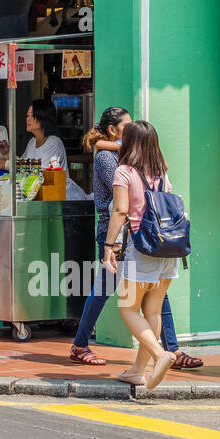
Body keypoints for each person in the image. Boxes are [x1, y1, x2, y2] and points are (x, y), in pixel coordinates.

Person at [69, 109, 202, 370]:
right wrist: (110, 244)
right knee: (103, 291)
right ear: (113, 131)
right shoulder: (108, 159)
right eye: (126, 126)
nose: (130, 130)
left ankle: (170, 350)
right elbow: (123, 202)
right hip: (115, 235)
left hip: (142, 238)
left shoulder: (134, 161)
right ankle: (80, 344)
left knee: (156, 296)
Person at [100, 121, 179, 391]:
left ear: (130, 143)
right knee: (152, 310)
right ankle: (137, 370)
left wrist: (109, 245)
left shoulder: (124, 171)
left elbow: (121, 211)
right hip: (168, 248)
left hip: (141, 246)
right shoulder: (161, 172)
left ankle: (160, 355)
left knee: (128, 308)